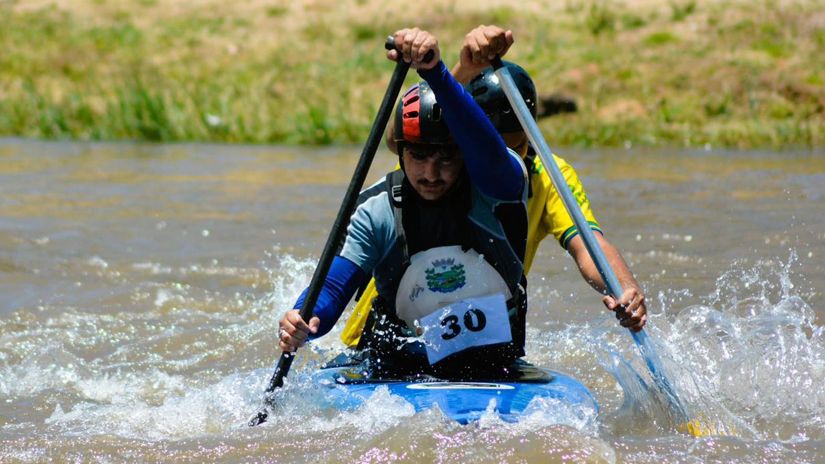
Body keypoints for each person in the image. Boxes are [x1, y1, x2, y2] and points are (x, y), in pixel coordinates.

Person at [338, 25, 647, 349]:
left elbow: (589, 245)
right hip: (384, 333)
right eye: (482, 149)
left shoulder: (550, 176)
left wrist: (624, 288)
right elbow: (400, 132)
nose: (497, 161)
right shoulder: (436, 164)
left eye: (514, 146)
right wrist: (459, 69)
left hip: (476, 339)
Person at [278, 28, 533, 378]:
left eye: (446, 158)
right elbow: (334, 287)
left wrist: (435, 72)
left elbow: (487, 151)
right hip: (395, 364)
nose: (431, 173)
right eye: (418, 156)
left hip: (494, 363)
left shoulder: (499, 187)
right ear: (400, 153)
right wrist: (302, 320)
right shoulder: (377, 210)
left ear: (465, 155)